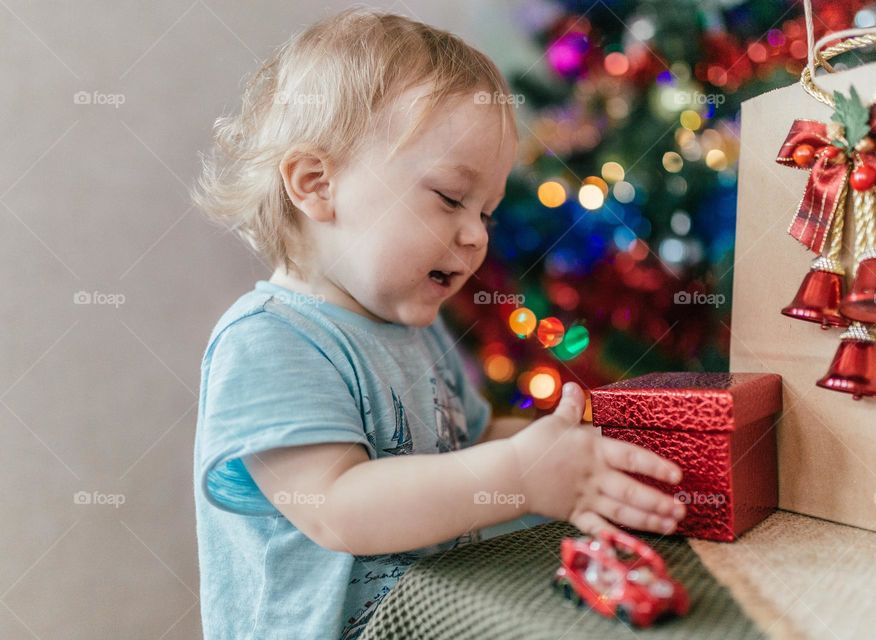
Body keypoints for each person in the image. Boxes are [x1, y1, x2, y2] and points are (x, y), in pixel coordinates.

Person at [191, 9, 685, 639]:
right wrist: (520, 477)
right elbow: (340, 509)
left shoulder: (416, 331)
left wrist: (577, 439)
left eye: (487, 211)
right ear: (317, 184)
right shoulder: (269, 340)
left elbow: (471, 441)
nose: (477, 234)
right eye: (452, 198)